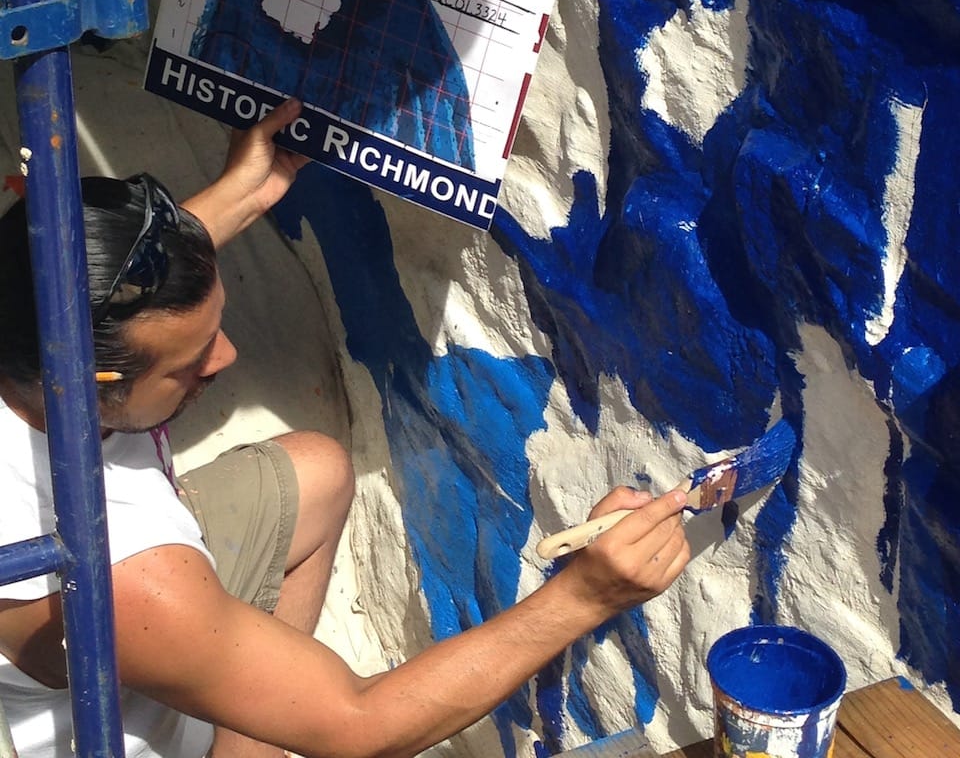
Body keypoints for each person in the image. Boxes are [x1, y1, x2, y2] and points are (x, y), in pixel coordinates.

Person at [0, 99, 690, 758]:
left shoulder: (25, 324)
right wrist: (582, 597)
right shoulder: (127, 583)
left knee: (318, 473)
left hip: (144, 590)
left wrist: (244, 193)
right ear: (86, 384)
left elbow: (116, 291)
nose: (226, 357)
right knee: (301, 692)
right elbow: (360, 723)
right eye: (190, 364)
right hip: (112, 695)